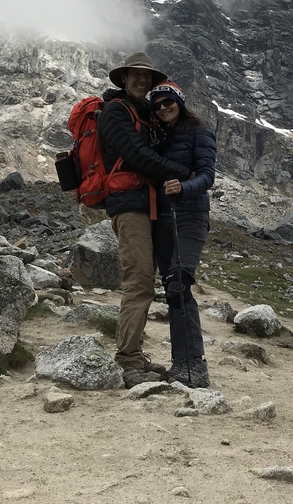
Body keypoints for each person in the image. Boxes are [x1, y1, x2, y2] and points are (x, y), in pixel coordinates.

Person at [97, 52, 191, 388]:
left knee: (145, 281)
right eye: (135, 75)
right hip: (130, 207)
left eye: (146, 76)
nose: (141, 80)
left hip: (148, 205)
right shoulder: (114, 113)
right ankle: (127, 359)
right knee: (138, 281)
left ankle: (134, 354)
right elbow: (137, 155)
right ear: (123, 79)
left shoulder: (146, 113)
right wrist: (185, 172)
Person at [147, 81, 217, 388]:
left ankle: (195, 365)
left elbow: (207, 175)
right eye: (158, 104)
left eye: (168, 101)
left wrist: (183, 187)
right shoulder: (158, 136)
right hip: (162, 219)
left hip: (190, 215)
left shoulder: (199, 132)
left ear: (180, 102)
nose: (163, 107)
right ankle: (182, 362)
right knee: (173, 287)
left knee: (178, 281)